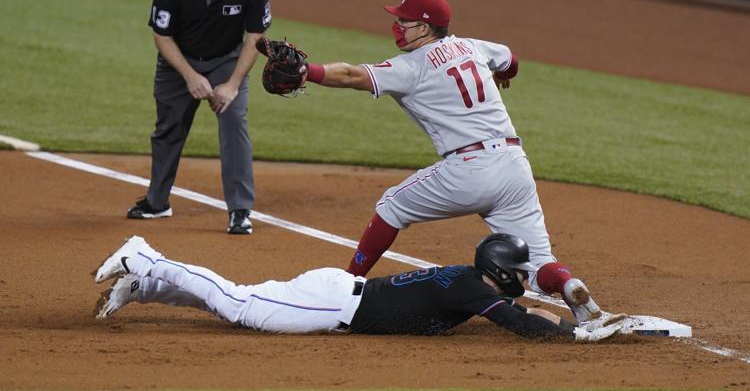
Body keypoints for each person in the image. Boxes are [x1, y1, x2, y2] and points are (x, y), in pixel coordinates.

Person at [300, 0, 608, 324]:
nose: (397, 25)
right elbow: (509, 60)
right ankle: (572, 288)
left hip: (470, 168)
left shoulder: (412, 66)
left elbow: (350, 75)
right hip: (514, 165)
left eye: (405, 20)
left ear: (426, 27)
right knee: (537, 262)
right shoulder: (473, 46)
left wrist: (307, 71)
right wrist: (503, 75)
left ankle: (347, 284)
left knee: (392, 206)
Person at [92, 234, 626, 341]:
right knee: (241, 306)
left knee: (243, 299)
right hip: (334, 302)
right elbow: (517, 322)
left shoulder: (469, 280)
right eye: (519, 270)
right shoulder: (472, 289)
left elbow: (514, 311)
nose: (521, 278)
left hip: (340, 293)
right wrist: (577, 335)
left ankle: (144, 287)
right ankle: (146, 255)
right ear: (501, 269)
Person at [126, 0, 272, 235]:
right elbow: (162, 36)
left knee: (234, 123)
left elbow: (255, 36)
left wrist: (232, 84)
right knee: (168, 129)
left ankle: (240, 210)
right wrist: (190, 76)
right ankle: (157, 202)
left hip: (227, 61)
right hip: (179, 61)